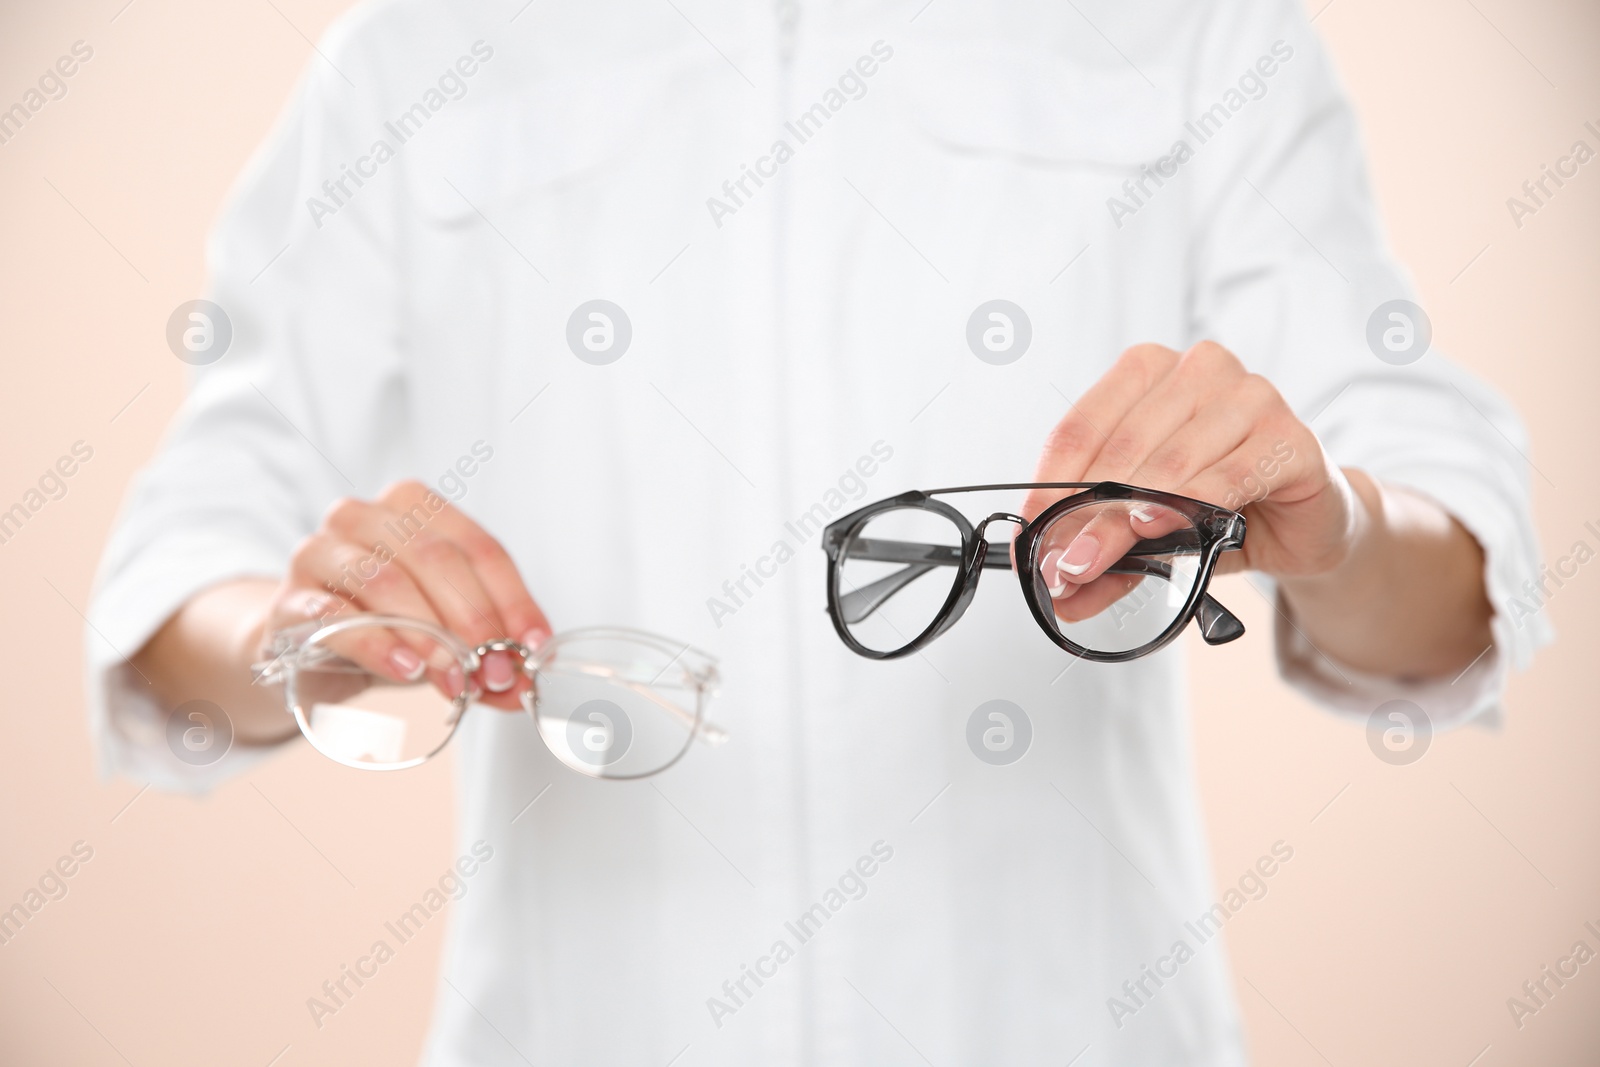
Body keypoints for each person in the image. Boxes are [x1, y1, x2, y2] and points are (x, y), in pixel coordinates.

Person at [88, 0, 1548, 1062]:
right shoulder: (413, 55)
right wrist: (306, 633)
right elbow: (181, 585)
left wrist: (1340, 517)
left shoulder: (1197, 34)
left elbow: (1448, 593)